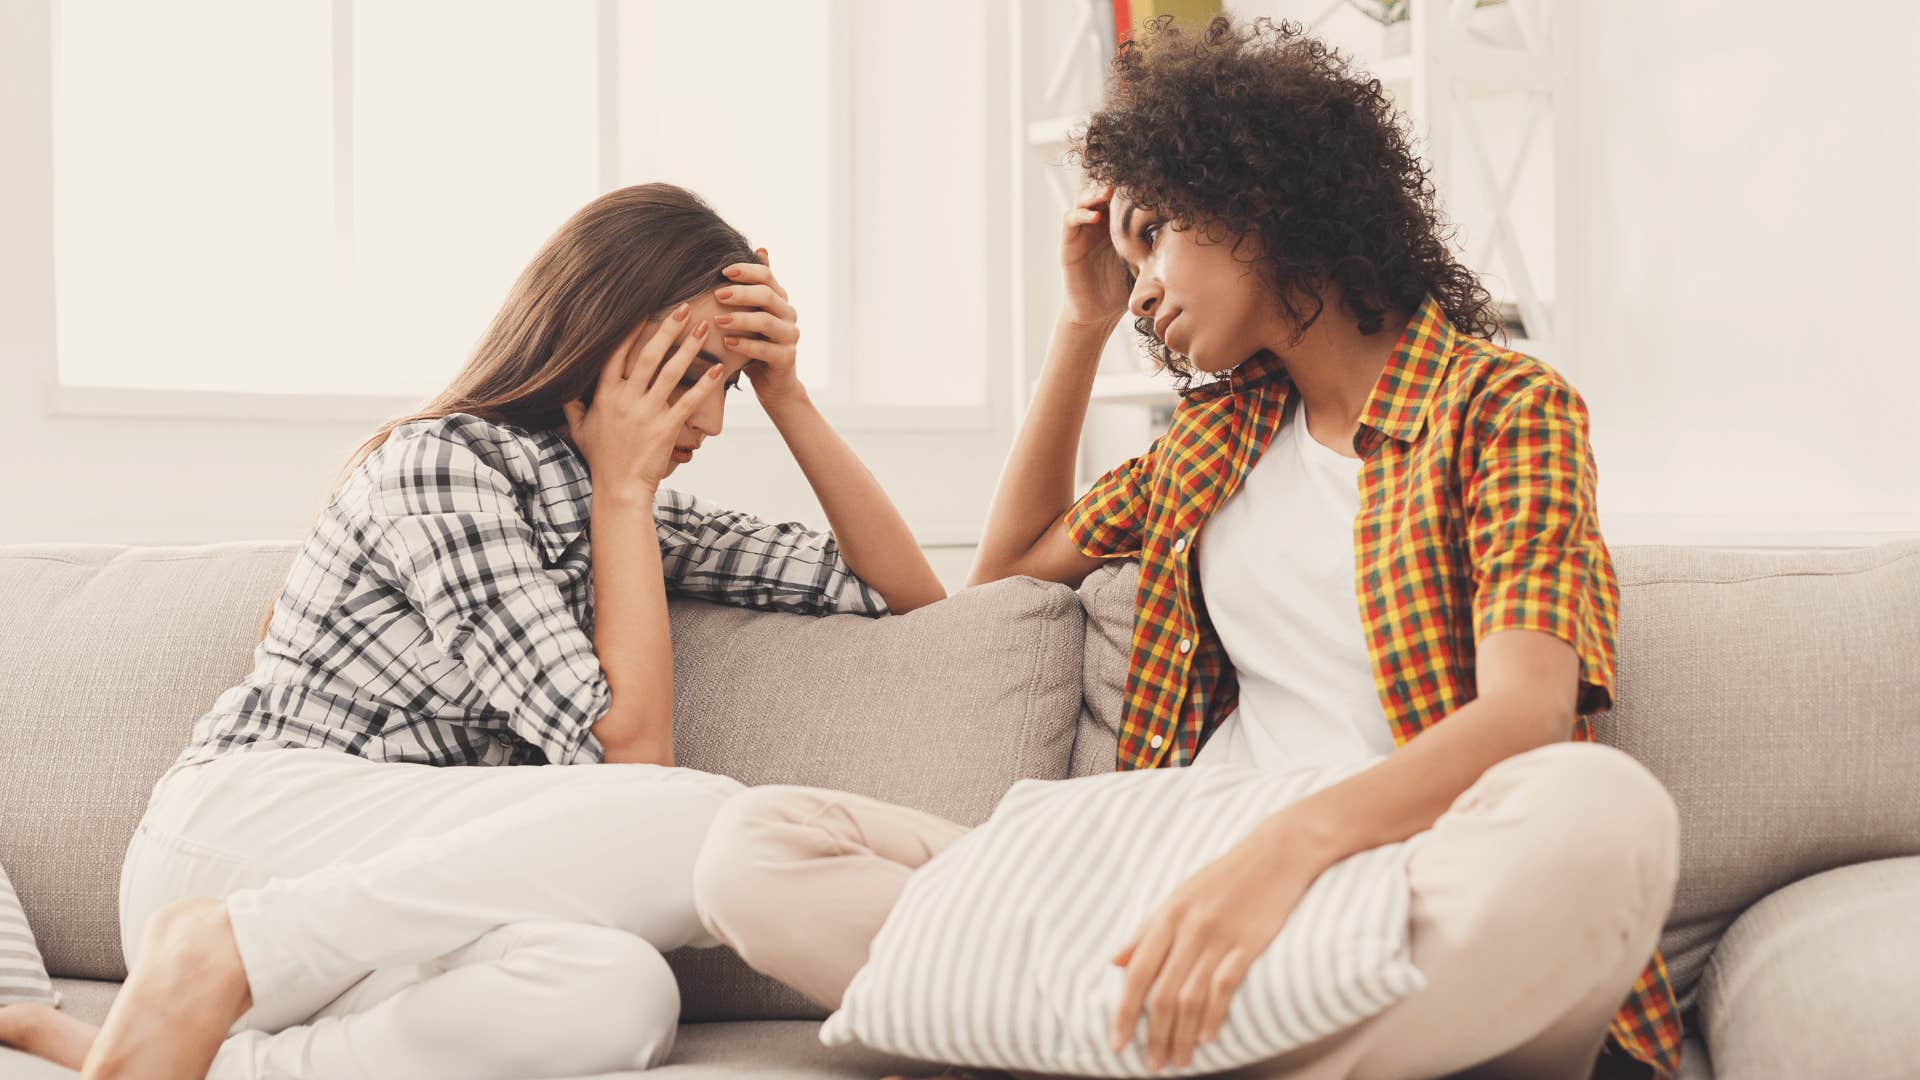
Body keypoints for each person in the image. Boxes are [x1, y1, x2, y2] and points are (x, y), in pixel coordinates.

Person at [693, 17, 1683, 1080]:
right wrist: (1079, 324)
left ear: (1259, 204)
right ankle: (1197, 1026)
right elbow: (1007, 572)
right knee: (753, 852)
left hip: (1388, 871)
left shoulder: (1501, 406)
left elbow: (1527, 716)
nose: (1144, 293)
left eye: (1156, 235)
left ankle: (1108, 1028)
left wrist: (1283, 854)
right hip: (1179, 861)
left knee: (1604, 817)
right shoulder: (1218, 441)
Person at [0, 182, 946, 1080]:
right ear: (599, 342)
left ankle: (161, 1057)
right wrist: (624, 489)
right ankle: (228, 949)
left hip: (397, 910)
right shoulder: (441, 466)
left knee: (621, 995)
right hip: (246, 840)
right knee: (704, 817)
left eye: (727, 384)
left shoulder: (635, 518)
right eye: (690, 372)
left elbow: (904, 594)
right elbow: (634, 763)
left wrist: (789, 397)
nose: (709, 414)